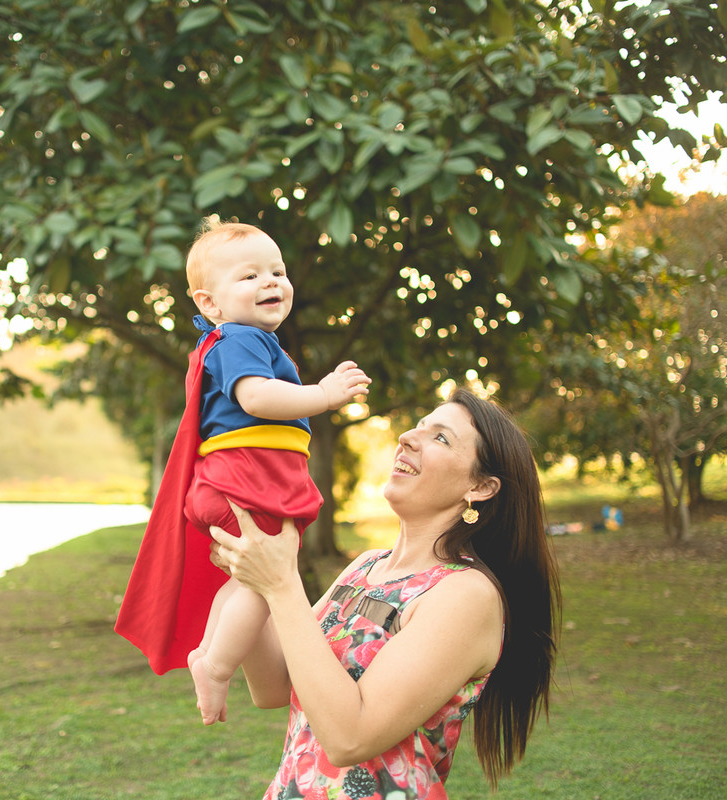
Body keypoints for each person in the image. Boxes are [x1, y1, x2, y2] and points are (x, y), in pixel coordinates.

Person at [209, 387, 561, 798]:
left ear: (480, 487)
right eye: (419, 426)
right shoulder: (366, 567)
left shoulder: (467, 594)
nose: (407, 437)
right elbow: (272, 686)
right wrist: (250, 570)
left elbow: (350, 738)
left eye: (440, 437)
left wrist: (281, 584)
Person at [115, 218, 372, 725]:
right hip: (246, 480)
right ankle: (216, 665)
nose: (270, 282)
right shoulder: (240, 340)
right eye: (250, 276)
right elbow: (255, 397)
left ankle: (209, 653)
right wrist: (323, 395)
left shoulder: (242, 340)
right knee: (263, 580)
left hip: (238, 480)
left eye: (277, 271)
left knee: (246, 580)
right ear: (209, 303)